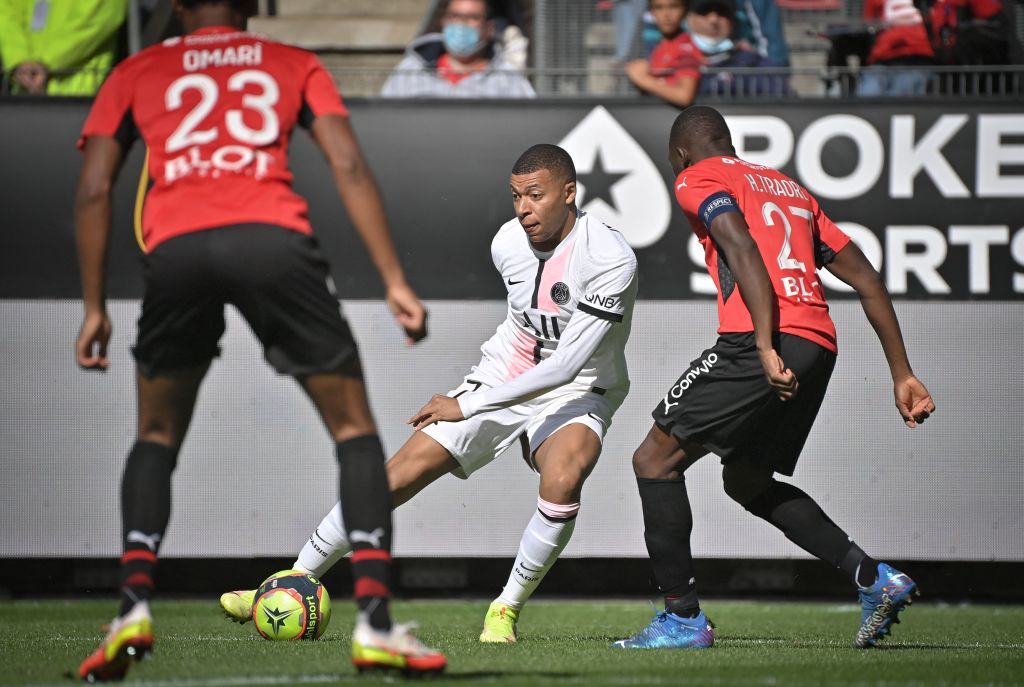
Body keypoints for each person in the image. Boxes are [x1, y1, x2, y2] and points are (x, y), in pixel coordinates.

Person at [73, 0, 445, 680]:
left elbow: (96, 188)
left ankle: (131, 605)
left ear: (177, 6)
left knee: (155, 436)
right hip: (271, 239)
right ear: (252, 4)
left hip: (176, 246)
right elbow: (350, 165)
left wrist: (94, 305)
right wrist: (394, 279)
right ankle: (375, 624)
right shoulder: (292, 62)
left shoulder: (135, 69)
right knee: (355, 429)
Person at [220, 144, 639, 645]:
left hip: (578, 387)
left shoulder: (611, 258)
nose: (523, 208)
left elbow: (567, 364)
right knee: (394, 477)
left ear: (569, 194)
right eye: (515, 196)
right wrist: (482, 395)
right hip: (504, 375)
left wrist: (465, 405)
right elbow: (522, 330)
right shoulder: (507, 242)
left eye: (535, 195)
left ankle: (503, 610)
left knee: (564, 476)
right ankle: (287, 581)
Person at [613, 106, 936, 650]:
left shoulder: (699, 177)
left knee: (653, 460)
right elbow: (866, 277)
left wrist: (762, 344)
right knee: (746, 481)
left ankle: (683, 621)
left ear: (679, 155)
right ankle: (873, 579)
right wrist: (902, 372)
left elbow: (740, 247)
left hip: (761, 341)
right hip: (817, 344)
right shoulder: (789, 189)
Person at [625, 0, 786, 109]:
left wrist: (646, 80)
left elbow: (684, 95)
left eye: (722, 13)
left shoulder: (750, 61)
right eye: (704, 13)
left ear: (734, 20)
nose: (713, 20)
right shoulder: (675, 48)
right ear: (689, 18)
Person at [380, 0, 535, 98]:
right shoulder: (409, 71)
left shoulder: (507, 78)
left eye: (472, 17)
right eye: (454, 16)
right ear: (443, 22)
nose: (461, 24)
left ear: (489, 28)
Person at [0, 0, 126, 95]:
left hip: (81, 95)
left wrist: (38, 64)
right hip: (21, 93)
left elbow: (96, 20)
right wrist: (20, 60)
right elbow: (5, 12)